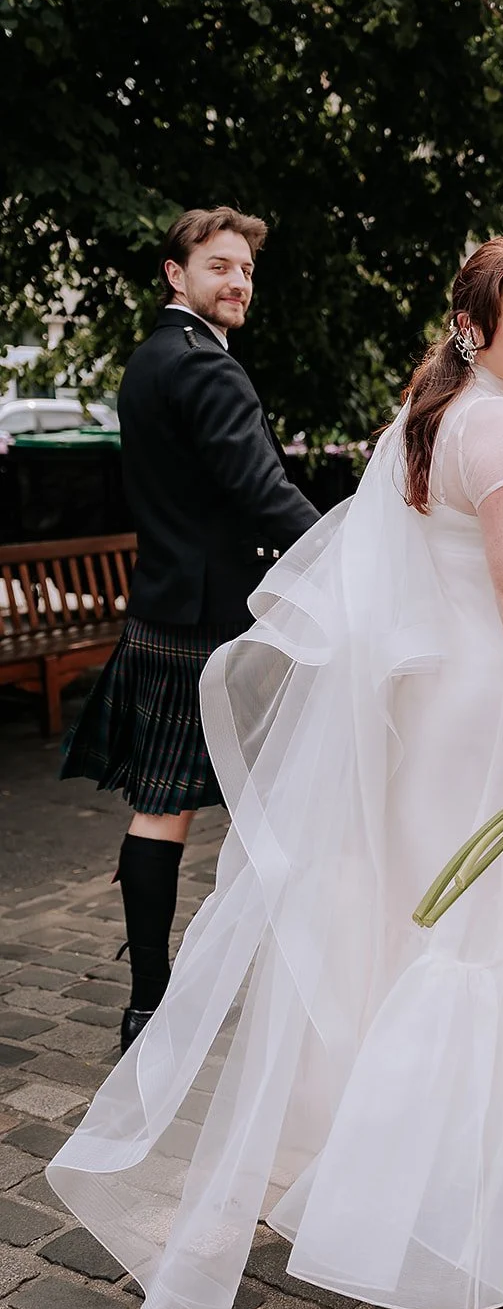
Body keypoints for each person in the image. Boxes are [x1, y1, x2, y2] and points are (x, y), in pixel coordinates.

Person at [47, 237, 503, 1309]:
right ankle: (436, 1147)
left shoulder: (433, 414)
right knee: (477, 912)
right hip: (496, 702)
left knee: (418, 903)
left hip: (441, 702)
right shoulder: (495, 430)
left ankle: (437, 1111)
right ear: (473, 323)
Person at [61, 207, 320, 1053]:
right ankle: (291, 986)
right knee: (285, 794)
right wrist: (341, 557)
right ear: (177, 275)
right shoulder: (206, 365)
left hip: (163, 609)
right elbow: (263, 492)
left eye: (245, 269)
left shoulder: (151, 358)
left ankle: (148, 1003)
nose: (237, 281)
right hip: (217, 623)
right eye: (219, 266)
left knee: (160, 809)